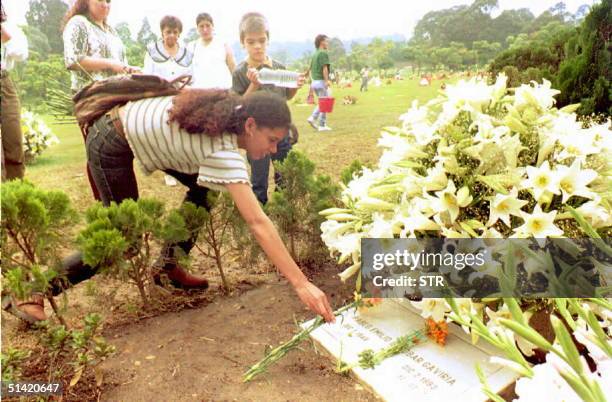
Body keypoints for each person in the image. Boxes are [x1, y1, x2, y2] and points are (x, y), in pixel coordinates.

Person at [10, 90, 336, 325]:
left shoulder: (234, 110)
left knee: (206, 190)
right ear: (249, 126)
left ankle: (166, 266)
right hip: (111, 139)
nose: (273, 148)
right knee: (123, 240)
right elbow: (258, 223)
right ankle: (31, 289)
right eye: (271, 139)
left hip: (129, 128)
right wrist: (301, 283)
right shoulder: (223, 151)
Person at [62, 0, 139, 200]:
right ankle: (104, 202)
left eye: (109, 1)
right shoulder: (78, 23)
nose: (105, 4)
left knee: (119, 150)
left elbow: (120, 62)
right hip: (92, 99)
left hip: (115, 96)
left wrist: (127, 69)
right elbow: (72, 59)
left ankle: (124, 200)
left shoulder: (110, 30)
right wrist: (111, 65)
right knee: (99, 151)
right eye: (100, 0)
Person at [231, 12, 303, 205]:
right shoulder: (240, 72)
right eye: (251, 41)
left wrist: (295, 87)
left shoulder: (278, 67)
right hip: (255, 137)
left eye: (262, 41)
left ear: (268, 40)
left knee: (284, 178)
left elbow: (286, 96)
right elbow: (239, 106)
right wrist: (253, 84)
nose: (257, 46)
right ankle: (260, 216)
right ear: (242, 42)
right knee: (259, 181)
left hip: (281, 134)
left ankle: (285, 216)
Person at [143, 15, 193, 187]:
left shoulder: (187, 54)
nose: (171, 35)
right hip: (159, 100)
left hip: (181, 99)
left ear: (179, 33)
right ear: (162, 32)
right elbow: (147, 77)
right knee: (163, 135)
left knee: (181, 134)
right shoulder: (151, 51)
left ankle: (183, 168)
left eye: (175, 32)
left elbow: (192, 78)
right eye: (168, 32)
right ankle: (168, 171)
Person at [1, 4, 28, 181]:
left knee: (14, 139)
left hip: (3, 82)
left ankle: (16, 193)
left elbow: (21, 53)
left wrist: (3, 33)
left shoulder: (9, 26)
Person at [190, 13, 235, 89]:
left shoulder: (223, 44)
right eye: (201, 26)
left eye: (208, 25)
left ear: (212, 26)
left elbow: (233, 69)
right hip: (201, 93)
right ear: (197, 28)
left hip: (223, 91)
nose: (205, 29)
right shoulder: (193, 47)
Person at [306, 34, 332, 132]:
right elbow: (324, 68)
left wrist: (305, 73)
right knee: (325, 102)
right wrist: (326, 80)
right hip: (321, 81)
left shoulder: (315, 54)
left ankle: (318, 120)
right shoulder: (323, 53)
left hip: (314, 82)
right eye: (326, 41)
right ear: (322, 42)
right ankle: (319, 122)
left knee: (324, 101)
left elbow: (309, 67)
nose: (328, 43)